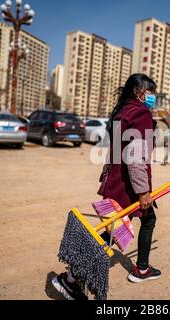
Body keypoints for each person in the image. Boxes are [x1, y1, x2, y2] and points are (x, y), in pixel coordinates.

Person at [53, 74, 161, 300]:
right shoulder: (141, 113)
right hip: (128, 187)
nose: (152, 96)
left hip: (117, 181)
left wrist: (107, 177)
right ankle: (70, 279)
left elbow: (114, 151)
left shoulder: (122, 112)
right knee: (111, 234)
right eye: (149, 92)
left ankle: (142, 268)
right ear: (138, 92)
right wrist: (142, 192)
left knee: (144, 220)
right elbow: (136, 156)